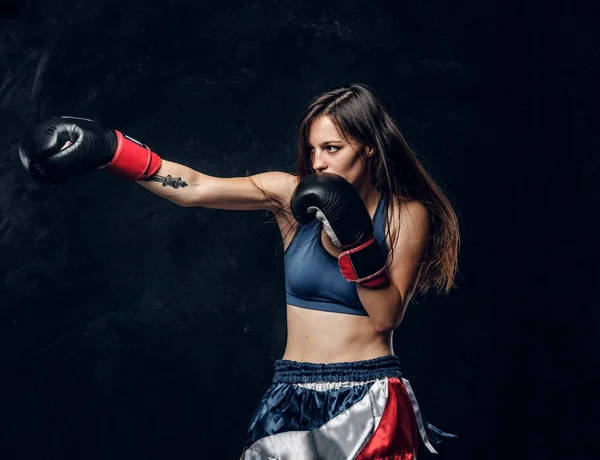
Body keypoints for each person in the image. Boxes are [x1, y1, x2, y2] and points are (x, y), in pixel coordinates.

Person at [18, 83, 459, 459]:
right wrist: (111, 150)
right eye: (312, 149)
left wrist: (355, 239)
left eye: (332, 148)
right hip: (289, 391)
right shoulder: (292, 197)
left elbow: (385, 316)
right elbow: (194, 187)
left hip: (368, 396)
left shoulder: (405, 216)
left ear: (367, 146)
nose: (319, 162)